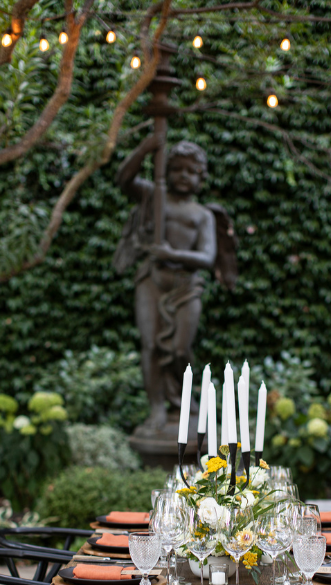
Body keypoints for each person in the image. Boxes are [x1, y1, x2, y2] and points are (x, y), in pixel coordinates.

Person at [114, 137, 220, 435]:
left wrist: (172, 254)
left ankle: (185, 404)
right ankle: (157, 409)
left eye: (191, 171)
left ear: (201, 177)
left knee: (179, 349)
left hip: (187, 286)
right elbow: (124, 179)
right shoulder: (153, 195)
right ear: (166, 172)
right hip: (152, 280)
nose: (183, 176)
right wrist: (145, 149)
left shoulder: (202, 215)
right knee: (150, 346)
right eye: (176, 169)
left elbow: (208, 257)